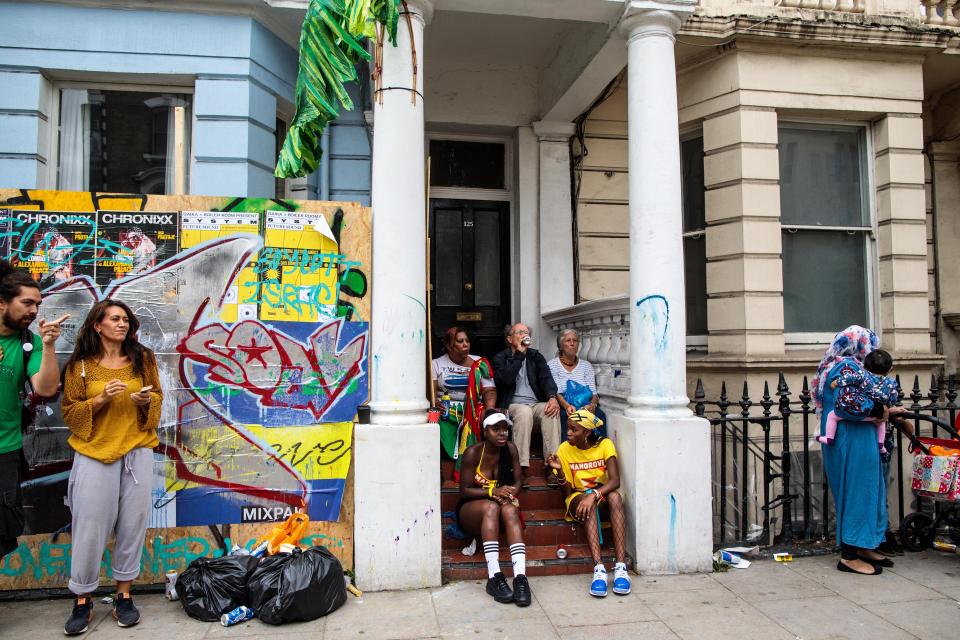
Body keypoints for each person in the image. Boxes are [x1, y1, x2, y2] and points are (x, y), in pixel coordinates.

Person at [61, 299, 163, 635]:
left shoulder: (142, 359)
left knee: (132, 525)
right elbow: (70, 414)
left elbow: (158, 397)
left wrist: (148, 401)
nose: (122, 324)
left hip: (136, 451)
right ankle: (82, 597)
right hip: (94, 452)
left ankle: (124, 595)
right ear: (97, 325)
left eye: (126, 320)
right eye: (115, 319)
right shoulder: (81, 366)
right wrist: (101, 398)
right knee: (90, 528)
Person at [812, 325, 907, 576]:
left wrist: (884, 411)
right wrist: (883, 411)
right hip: (852, 440)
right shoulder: (847, 367)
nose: (872, 350)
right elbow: (848, 405)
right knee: (857, 492)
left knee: (865, 491)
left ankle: (864, 545)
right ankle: (849, 556)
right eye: (870, 344)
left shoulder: (843, 365)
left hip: (854, 437)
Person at [0, 259, 66, 559]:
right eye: (27, 303)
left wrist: (50, 345)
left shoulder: (30, 343)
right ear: (2, 303)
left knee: (3, 529)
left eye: (37, 304)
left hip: (6, 450)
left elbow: (46, 388)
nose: (34, 311)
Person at [546, 410, 630, 597]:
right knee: (587, 501)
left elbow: (615, 481)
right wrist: (559, 472)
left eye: (574, 430)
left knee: (615, 496)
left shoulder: (605, 445)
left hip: (600, 494)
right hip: (577, 498)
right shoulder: (564, 449)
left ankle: (620, 567)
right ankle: (599, 569)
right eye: (568, 428)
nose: (568, 433)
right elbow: (566, 492)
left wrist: (594, 494)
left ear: (587, 432)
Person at [456, 410, 531, 607]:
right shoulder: (473, 453)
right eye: (495, 429)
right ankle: (494, 576)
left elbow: (517, 481)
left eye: (505, 429)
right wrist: (493, 492)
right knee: (491, 506)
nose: (502, 433)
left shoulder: (511, 449)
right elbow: (464, 491)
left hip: (499, 507)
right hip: (471, 511)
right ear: (485, 432)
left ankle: (520, 578)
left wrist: (509, 494)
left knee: (510, 510)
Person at [492, 323, 560, 485]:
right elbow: (505, 380)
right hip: (513, 405)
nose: (524, 335)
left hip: (535, 404)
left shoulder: (536, 357)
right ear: (509, 339)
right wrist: (519, 356)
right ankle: (519, 467)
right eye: (520, 332)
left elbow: (546, 379)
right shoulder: (500, 358)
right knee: (523, 412)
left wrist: (552, 397)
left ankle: (552, 465)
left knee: (549, 410)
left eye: (526, 332)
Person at [431, 327, 496, 465]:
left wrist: (489, 410)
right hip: (447, 408)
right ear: (449, 346)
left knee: (488, 418)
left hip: (473, 408)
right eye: (460, 341)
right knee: (433, 418)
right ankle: (438, 466)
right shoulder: (436, 364)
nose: (466, 344)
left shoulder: (479, 363)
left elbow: (489, 390)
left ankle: (480, 462)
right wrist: (435, 403)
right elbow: (432, 392)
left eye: (467, 341)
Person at [818, 349, 899, 453]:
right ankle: (881, 445)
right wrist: (887, 405)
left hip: (863, 414)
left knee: (832, 416)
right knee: (882, 422)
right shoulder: (891, 382)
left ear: (865, 366)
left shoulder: (863, 375)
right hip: (876, 415)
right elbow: (893, 397)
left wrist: (837, 382)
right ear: (890, 369)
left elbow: (850, 378)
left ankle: (829, 438)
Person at [547, 328, 603, 435]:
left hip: (586, 405)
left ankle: (598, 449)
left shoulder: (586, 366)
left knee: (599, 416)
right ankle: (568, 450)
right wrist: (568, 406)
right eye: (568, 341)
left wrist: (592, 405)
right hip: (565, 404)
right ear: (561, 345)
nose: (572, 344)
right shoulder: (553, 365)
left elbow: (594, 393)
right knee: (565, 417)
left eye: (575, 340)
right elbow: (557, 392)